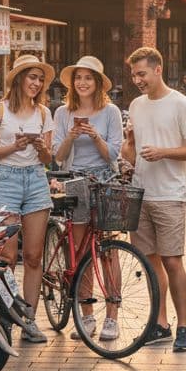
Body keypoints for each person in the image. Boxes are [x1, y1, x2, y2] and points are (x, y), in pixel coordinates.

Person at [121, 47, 186, 352]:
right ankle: (160, 324)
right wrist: (129, 145)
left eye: (142, 74)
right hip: (140, 192)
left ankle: (184, 326)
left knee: (172, 260)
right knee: (149, 261)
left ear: (158, 70)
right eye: (134, 75)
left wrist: (163, 152)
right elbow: (130, 154)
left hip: (170, 193)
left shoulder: (181, 104)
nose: (137, 80)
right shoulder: (136, 105)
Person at [0, 54, 55, 343]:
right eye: (32, 77)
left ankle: (29, 321)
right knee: (7, 256)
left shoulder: (44, 113)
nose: (36, 83)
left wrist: (41, 149)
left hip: (36, 179)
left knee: (34, 256)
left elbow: (48, 159)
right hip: (6, 179)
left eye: (40, 79)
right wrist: (14, 146)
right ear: (19, 79)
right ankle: (7, 317)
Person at [52, 55, 124, 342]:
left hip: (105, 181)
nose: (82, 83)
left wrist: (94, 135)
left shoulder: (110, 112)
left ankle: (112, 316)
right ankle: (87, 316)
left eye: (88, 78)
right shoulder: (62, 113)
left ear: (98, 83)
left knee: (109, 249)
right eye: (78, 78)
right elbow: (58, 156)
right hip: (75, 181)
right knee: (81, 251)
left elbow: (113, 154)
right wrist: (71, 136)